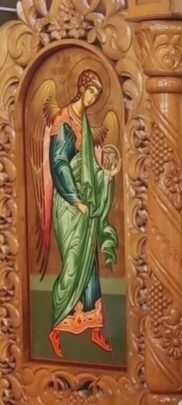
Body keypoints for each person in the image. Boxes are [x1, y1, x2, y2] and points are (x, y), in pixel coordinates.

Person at [41, 70, 119, 357]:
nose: (93, 98)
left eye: (97, 95)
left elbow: (88, 167)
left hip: (84, 202)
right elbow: (59, 163)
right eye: (91, 92)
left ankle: (95, 329)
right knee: (73, 264)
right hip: (68, 204)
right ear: (82, 88)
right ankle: (55, 329)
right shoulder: (63, 121)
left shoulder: (84, 122)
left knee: (90, 266)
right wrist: (75, 200)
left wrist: (105, 176)